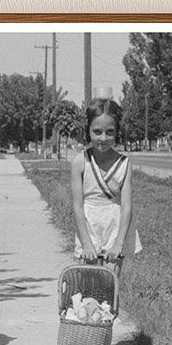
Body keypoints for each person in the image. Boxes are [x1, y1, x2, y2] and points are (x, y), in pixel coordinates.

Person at [69, 98, 142, 265]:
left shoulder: (124, 163)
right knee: (90, 282)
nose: (103, 138)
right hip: (89, 227)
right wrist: (86, 243)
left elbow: (126, 206)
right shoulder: (80, 162)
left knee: (111, 282)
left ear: (117, 132)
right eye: (97, 131)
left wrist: (118, 244)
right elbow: (77, 205)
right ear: (88, 130)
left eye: (109, 132)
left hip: (115, 228)